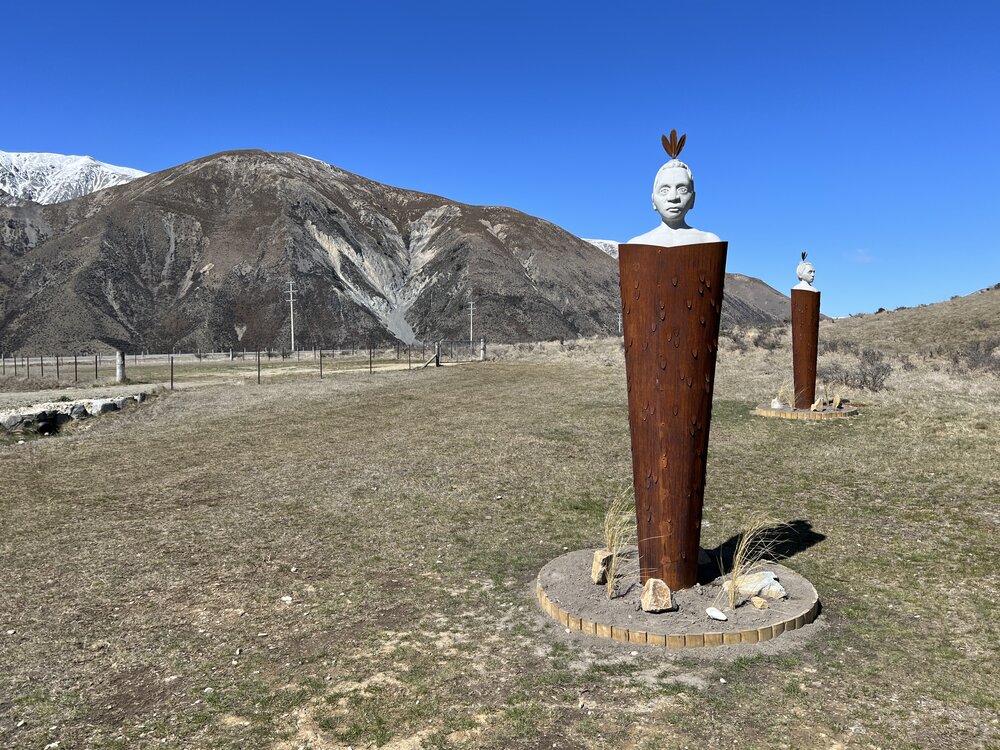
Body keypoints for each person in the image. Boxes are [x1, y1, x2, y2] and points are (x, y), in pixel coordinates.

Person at [628, 159, 720, 247]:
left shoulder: (709, 241)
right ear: (653, 200)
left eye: (682, 190)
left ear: (693, 199)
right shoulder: (636, 244)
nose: (673, 197)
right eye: (664, 190)